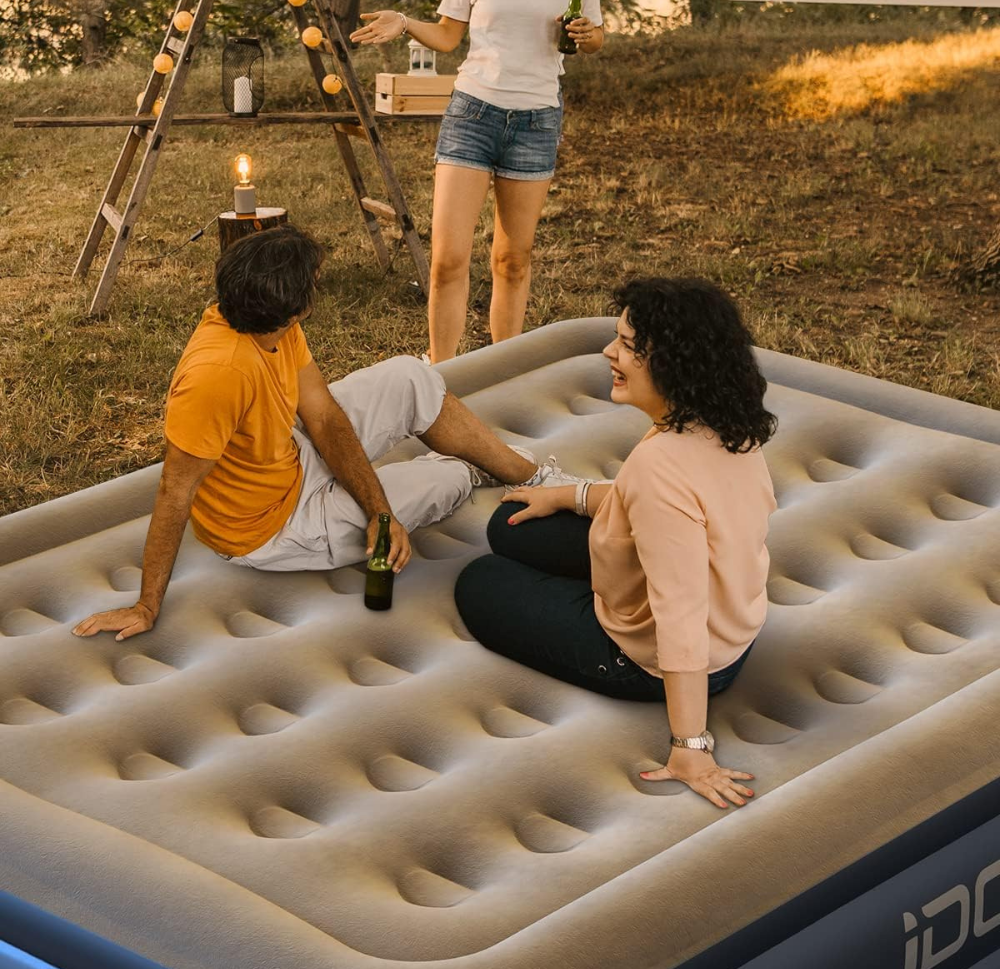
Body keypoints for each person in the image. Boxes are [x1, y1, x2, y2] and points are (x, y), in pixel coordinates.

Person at [72, 225, 579, 642]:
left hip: (291, 457)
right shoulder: (214, 376)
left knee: (409, 375)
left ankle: (533, 476)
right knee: (444, 484)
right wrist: (146, 604)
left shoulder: (271, 323)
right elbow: (174, 490)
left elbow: (324, 416)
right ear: (297, 307)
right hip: (271, 528)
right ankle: (463, 467)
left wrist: (379, 512)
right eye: (315, 283)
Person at [455, 277, 778, 809]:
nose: (609, 352)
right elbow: (673, 510)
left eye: (628, 346)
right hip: (729, 621)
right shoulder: (726, 424)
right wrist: (572, 496)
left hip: (653, 656)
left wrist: (690, 747)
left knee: (480, 581)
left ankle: (655, 695)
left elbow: (679, 613)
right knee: (507, 526)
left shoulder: (659, 468)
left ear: (673, 364)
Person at [350, 1, 604, 363]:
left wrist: (588, 35)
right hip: (472, 116)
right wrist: (404, 22)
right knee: (448, 261)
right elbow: (447, 35)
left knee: (512, 261)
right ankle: (442, 375)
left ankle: (500, 374)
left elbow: (595, 39)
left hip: (537, 122)